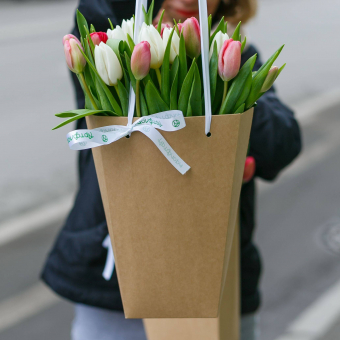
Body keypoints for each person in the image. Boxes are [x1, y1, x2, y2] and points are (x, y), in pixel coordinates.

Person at [41, 0, 302, 339]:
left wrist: (232, 128)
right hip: (113, 277)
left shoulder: (233, 53)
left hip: (213, 280)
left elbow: (285, 143)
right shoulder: (119, 41)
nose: (188, 0)